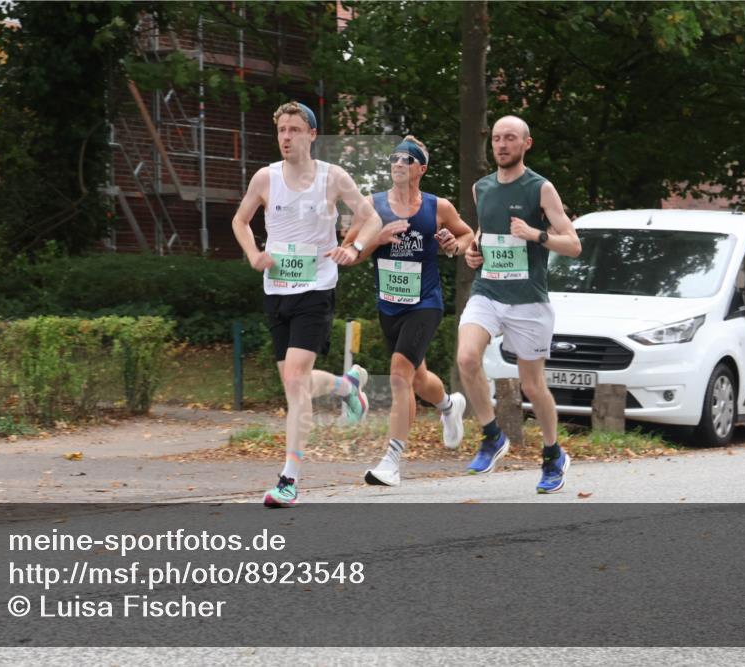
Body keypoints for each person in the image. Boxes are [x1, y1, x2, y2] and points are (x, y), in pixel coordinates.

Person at [231, 101, 384, 508]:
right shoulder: (265, 178)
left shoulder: (333, 179)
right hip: (277, 290)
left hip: (316, 290)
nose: (286, 137)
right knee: (294, 383)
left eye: (294, 129)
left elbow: (371, 219)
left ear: (311, 135)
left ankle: (289, 478)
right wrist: (253, 254)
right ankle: (347, 386)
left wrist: (354, 248)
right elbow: (240, 221)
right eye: (281, 129)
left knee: (296, 381)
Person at [457, 115, 582, 493]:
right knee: (466, 358)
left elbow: (573, 244)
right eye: (496, 138)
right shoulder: (482, 188)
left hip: (528, 300)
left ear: (526, 143)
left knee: (532, 385)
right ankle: (493, 435)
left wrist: (535, 234)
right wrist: (473, 253)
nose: (501, 145)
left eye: (510, 138)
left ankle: (552, 453)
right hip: (488, 292)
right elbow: (483, 233)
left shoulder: (540, 189)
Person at [343, 136, 475, 486]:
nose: (399, 163)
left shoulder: (438, 207)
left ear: (422, 168)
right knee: (417, 378)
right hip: (390, 306)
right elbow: (348, 254)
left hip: (425, 303)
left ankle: (392, 460)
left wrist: (453, 245)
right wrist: (377, 238)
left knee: (400, 372)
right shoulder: (371, 208)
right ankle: (449, 405)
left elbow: (466, 236)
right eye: (395, 158)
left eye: (408, 159)